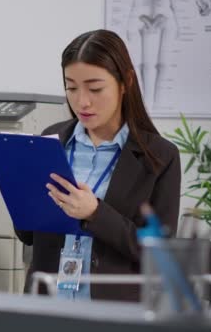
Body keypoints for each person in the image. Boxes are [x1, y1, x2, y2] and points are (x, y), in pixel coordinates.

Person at [16, 29, 181, 302]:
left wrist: (95, 212)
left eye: (95, 88)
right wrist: (19, 192)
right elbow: (28, 235)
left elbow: (159, 253)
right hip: (47, 302)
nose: (82, 101)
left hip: (112, 310)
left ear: (124, 82)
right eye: (71, 88)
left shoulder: (160, 156)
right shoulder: (51, 139)